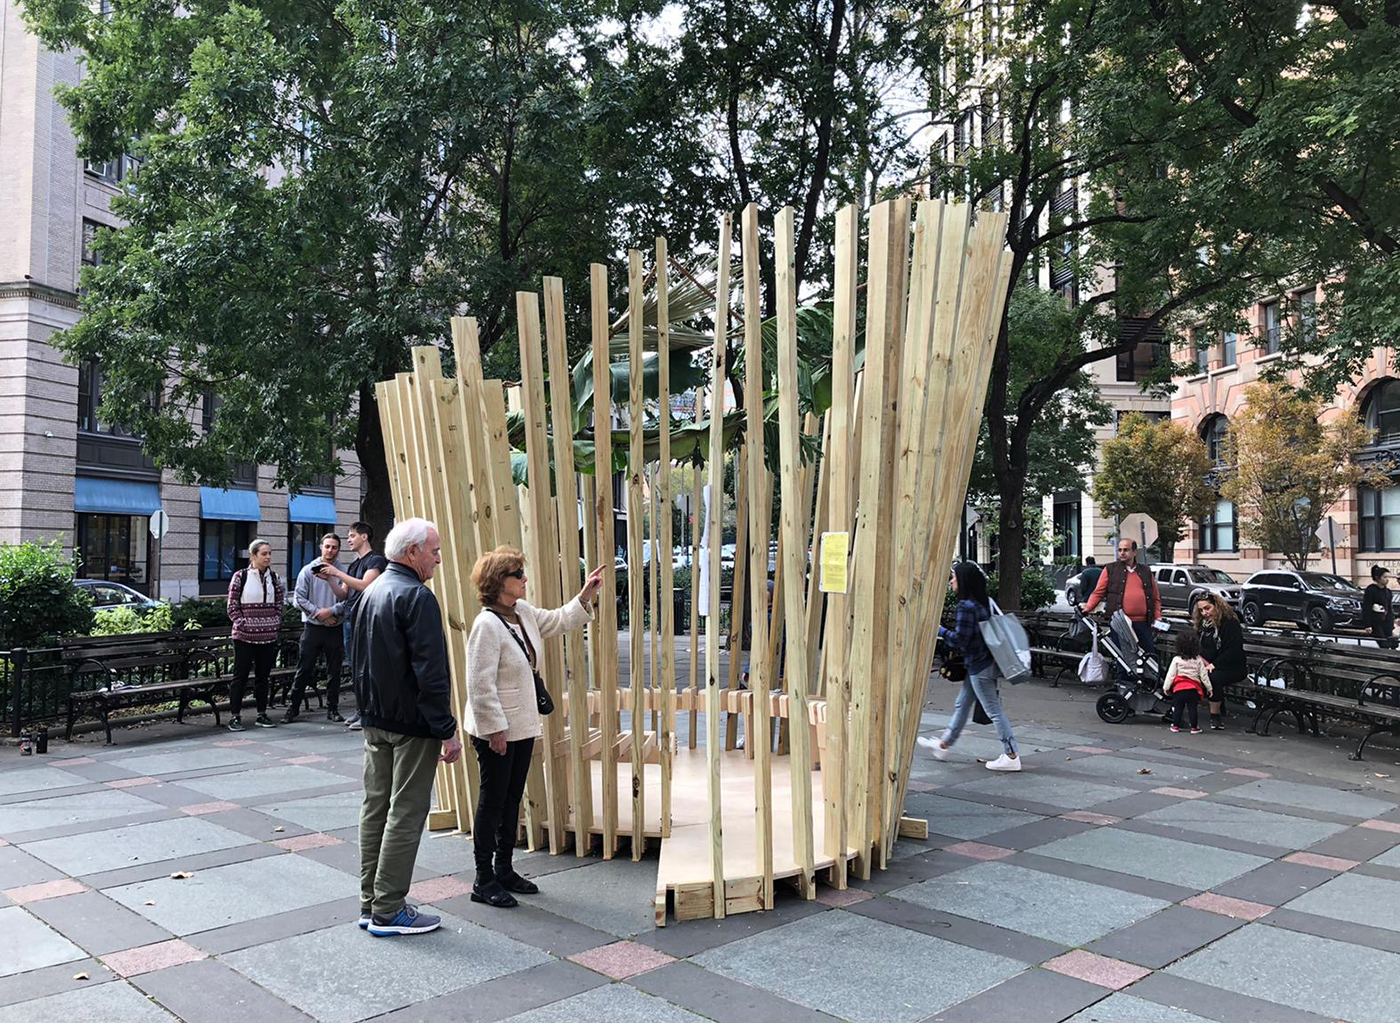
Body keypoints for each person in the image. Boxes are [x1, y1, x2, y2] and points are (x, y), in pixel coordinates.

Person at [464, 546, 606, 907]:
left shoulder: (522, 612)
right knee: (492, 802)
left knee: (511, 799)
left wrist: (585, 594)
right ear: (499, 582)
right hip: (496, 730)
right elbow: (479, 685)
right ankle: (483, 879)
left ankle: (504, 869)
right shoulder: (486, 625)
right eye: (518, 574)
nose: (525, 579)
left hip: (522, 725)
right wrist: (494, 730)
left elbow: (558, 620)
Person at [351, 518, 462, 936]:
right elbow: (431, 673)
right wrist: (446, 729)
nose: (437, 558)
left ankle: (371, 902)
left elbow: (356, 660)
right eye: (433, 551)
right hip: (411, 723)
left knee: (375, 807)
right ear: (412, 552)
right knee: (406, 811)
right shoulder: (417, 596)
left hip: (375, 720)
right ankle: (389, 908)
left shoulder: (372, 591)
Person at [916, 561, 1022, 771]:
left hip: (979, 665)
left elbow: (961, 640)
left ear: (963, 581)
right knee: (962, 704)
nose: (952, 581)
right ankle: (944, 744)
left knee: (993, 710)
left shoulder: (966, 606)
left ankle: (1011, 755)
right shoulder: (982, 602)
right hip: (983, 662)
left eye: (954, 577)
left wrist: (941, 631)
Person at [317, 522, 388, 730]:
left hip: (365, 620)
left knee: (367, 667)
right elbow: (343, 593)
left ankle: (370, 712)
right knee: (355, 667)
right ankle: (360, 710)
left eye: (352, 536)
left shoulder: (376, 561)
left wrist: (337, 574)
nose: (348, 540)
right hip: (349, 620)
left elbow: (367, 586)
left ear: (364, 537)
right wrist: (329, 579)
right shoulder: (354, 565)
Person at [1084, 539, 1164, 684]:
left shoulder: (1145, 571)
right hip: (1120, 624)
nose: (1122, 553)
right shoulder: (1111, 569)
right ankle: (1125, 693)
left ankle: (1150, 692)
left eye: (1126, 550)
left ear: (1134, 552)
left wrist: (1158, 617)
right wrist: (1087, 607)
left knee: (1148, 657)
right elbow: (1098, 592)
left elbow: (1155, 597)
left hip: (1143, 623)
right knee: (1123, 658)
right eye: (1120, 550)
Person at [286, 532, 347, 723]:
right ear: (321, 546)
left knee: (334, 671)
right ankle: (293, 708)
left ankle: (333, 709)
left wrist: (331, 611)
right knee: (304, 669)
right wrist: (319, 613)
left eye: (334, 547)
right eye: (327, 546)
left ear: (338, 549)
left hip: (334, 627)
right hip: (313, 627)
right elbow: (298, 599)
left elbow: (349, 599)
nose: (330, 550)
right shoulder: (308, 570)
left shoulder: (343, 572)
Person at [225, 539, 284, 731]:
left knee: (263, 677)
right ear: (253, 556)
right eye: (263, 553)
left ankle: (261, 713)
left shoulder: (274, 577)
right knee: (239, 677)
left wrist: (275, 621)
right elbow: (232, 606)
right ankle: (235, 716)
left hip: (268, 636)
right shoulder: (240, 577)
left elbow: (280, 603)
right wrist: (244, 624)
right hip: (244, 637)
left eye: (269, 553)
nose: (268, 557)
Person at [1192, 593, 1244, 729]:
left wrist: (1214, 665)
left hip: (1232, 666)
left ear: (1217, 606)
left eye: (1207, 608)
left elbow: (1233, 650)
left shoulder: (1230, 623)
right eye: (1201, 610)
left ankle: (1215, 716)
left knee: (1213, 677)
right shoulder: (1203, 625)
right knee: (1183, 670)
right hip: (1208, 663)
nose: (1205, 613)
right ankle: (1177, 710)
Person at [1163, 627, 1212, 734]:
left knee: (1178, 708)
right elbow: (1204, 675)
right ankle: (1194, 728)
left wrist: (1166, 688)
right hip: (1193, 689)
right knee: (1192, 709)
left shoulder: (1176, 660)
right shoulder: (1198, 660)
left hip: (1179, 689)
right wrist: (1209, 688)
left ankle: (1175, 726)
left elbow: (1171, 675)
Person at [1363, 566, 1397, 650]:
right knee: (1383, 643)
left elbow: (1389, 608)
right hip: (1376, 622)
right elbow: (1367, 607)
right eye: (1384, 577)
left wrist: (1392, 623)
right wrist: (1368, 625)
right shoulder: (1371, 590)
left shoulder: (1388, 592)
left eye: (1388, 577)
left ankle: (1392, 660)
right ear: (1377, 578)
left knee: (1393, 643)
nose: (1387, 579)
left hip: (1387, 621)